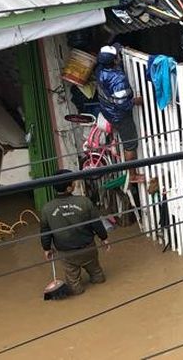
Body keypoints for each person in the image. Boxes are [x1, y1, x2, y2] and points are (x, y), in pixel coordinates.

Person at [40, 171, 109, 295]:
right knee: (96, 272)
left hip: (66, 253)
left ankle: (78, 293)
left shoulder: (47, 209)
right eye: (74, 182)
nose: (75, 183)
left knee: (73, 281)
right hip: (88, 248)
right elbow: (96, 223)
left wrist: (46, 248)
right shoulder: (84, 202)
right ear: (69, 188)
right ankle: (99, 283)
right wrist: (104, 238)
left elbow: (45, 232)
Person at [94, 45, 144, 181]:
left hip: (107, 110)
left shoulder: (100, 70)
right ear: (115, 60)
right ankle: (133, 175)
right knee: (130, 144)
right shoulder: (118, 80)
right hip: (119, 115)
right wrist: (135, 101)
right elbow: (123, 104)